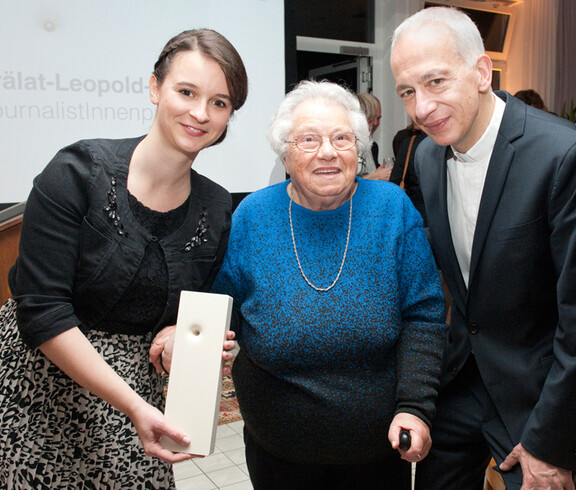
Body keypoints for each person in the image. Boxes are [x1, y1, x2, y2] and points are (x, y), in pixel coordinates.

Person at [0, 28, 247, 489]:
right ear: (155, 88)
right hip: (38, 388)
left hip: (137, 404)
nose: (200, 113)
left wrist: (177, 335)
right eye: (186, 92)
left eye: (220, 102)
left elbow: (186, 308)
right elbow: (41, 311)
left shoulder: (215, 207)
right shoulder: (76, 172)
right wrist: (133, 404)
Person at [175, 79, 445, 489]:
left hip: (377, 448)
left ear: (359, 147)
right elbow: (216, 308)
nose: (327, 151)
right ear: (285, 154)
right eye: (308, 139)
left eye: (342, 137)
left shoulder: (391, 208)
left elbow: (423, 314)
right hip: (277, 452)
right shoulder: (253, 215)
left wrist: (414, 406)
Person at [390, 6, 576, 490]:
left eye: (435, 82)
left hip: (538, 398)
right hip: (460, 386)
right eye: (407, 92)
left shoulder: (562, 155)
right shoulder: (429, 157)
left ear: (480, 72)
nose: (421, 108)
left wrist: (552, 441)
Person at [389, 121, 428, 226]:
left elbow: (394, 184)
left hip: (415, 219)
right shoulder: (448, 144)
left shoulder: (409, 144)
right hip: (446, 220)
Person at [357, 92, 392, 181]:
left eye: (378, 118)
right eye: (370, 119)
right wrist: (376, 176)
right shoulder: (345, 147)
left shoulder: (372, 146)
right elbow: (343, 187)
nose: (375, 123)